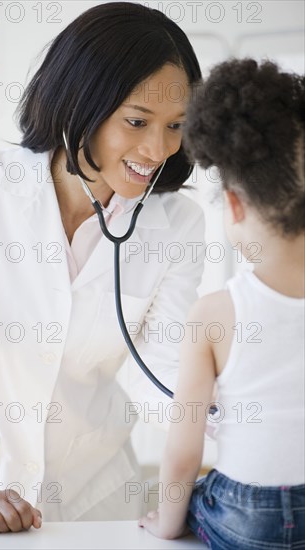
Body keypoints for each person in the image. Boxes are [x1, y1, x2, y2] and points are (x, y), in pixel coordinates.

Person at [0, 1, 206, 533]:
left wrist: (231, 434)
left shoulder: (179, 222)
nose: (158, 148)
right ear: (81, 102)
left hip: (97, 494)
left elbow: (162, 374)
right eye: (138, 121)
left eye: (176, 126)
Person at [139, 58, 305, 548]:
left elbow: (183, 454)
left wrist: (169, 525)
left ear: (233, 206)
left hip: (244, 517)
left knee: (199, 493)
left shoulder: (214, 314)